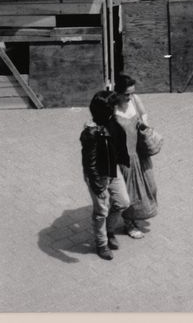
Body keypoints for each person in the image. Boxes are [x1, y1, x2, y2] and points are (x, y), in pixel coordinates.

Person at [80, 90, 130, 261]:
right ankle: (101, 244)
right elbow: (89, 163)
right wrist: (96, 185)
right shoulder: (91, 133)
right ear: (106, 110)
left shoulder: (111, 121)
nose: (116, 109)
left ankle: (109, 231)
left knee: (123, 202)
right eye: (113, 107)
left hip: (112, 169)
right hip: (98, 175)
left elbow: (119, 142)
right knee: (101, 211)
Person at [113, 74, 156, 236]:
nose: (130, 97)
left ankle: (136, 215)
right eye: (127, 94)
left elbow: (144, 114)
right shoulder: (112, 108)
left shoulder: (135, 100)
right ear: (118, 93)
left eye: (132, 93)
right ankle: (129, 223)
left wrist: (144, 123)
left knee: (151, 187)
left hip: (140, 153)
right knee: (131, 193)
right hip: (124, 158)